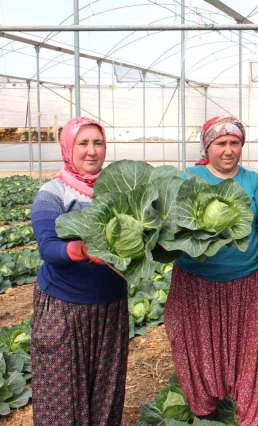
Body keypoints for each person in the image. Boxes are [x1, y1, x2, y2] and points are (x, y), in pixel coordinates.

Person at [163, 116, 258, 426]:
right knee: (198, 345)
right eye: (220, 143)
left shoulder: (254, 181)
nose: (228, 150)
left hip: (245, 280)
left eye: (235, 143)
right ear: (207, 146)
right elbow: (168, 220)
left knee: (248, 349)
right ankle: (205, 407)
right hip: (195, 282)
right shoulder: (188, 177)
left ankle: (249, 413)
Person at [30, 117, 129, 426]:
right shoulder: (52, 192)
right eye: (82, 143)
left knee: (105, 393)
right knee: (62, 398)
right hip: (64, 308)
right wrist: (79, 250)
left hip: (111, 307)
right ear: (68, 148)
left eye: (98, 143)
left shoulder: (120, 191)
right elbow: (48, 247)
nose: (91, 151)